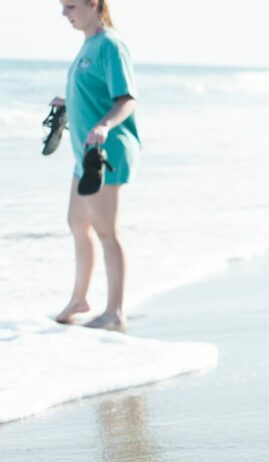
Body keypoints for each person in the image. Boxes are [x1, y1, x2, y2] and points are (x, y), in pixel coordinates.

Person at [51, 0, 141, 332]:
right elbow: (93, 93)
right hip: (83, 154)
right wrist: (66, 102)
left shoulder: (110, 45)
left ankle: (115, 312)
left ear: (93, 4)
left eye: (71, 6)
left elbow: (126, 99)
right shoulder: (89, 43)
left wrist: (104, 126)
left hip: (107, 153)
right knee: (77, 223)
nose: (64, 14)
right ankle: (79, 299)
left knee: (107, 232)